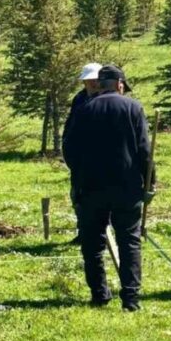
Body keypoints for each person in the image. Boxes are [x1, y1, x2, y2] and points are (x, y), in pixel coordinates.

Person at [63, 65, 151, 311]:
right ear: (120, 84)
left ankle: (100, 294)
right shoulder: (133, 107)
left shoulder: (84, 108)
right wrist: (149, 182)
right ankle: (131, 299)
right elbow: (144, 151)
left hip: (90, 187)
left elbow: (69, 148)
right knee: (129, 241)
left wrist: (79, 175)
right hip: (127, 187)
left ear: (101, 84)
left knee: (92, 244)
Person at [63, 62, 103, 245]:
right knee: (78, 195)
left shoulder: (106, 99)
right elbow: (70, 126)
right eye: (89, 80)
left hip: (101, 158)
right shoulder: (79, 100)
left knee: (101, 197)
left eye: (96, 79)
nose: (93, 83)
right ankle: (83, 232)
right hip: (80, 160)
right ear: (84, 82)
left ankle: (102, 235)